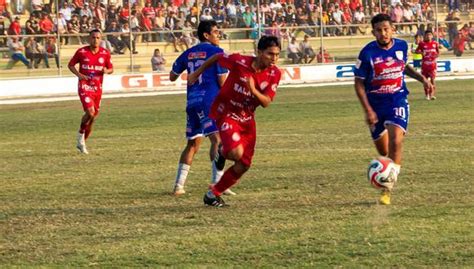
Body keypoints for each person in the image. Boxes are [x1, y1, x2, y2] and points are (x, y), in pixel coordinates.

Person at [188, 35, 282, 207]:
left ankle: (212, 194)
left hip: (247, 119)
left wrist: (252, 89)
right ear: (259, 52)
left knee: (244, 164)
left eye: (277, 54)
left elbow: (266, 102)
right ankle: (223, 151)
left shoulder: (275, 73)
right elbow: (217, 57)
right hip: (227, 113)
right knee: (236, 153)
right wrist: (195, 73)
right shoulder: (240, 61)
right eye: (270, 54)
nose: (274, 58)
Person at [354, 14, 433, 205]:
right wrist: (368, 110)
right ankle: (384, 177)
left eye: (386, 29)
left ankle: (387, 189)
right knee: (384, 153)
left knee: (396, 141)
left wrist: (422, 78)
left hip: (397, 100)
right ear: (373, 32)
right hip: (375, 106)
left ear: (392, 29)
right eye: (379, 30)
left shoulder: (402, 46)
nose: (383, 33)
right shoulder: (367, 54)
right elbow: (358, 84)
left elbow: (403, 67)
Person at [169, 20, 233, 196]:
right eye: (216, 32)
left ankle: (178, 186)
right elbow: (222, 81)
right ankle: (217, 183)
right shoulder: (218, 53)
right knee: (217, 140)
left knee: (192, 143)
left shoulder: (188, 53)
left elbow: (172, 76)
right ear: (206, 35)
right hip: (209, 102)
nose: (218, 35)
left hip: (192, 102)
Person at [68, 29, 113, 154]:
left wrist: (106, 71)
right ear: (89, 38)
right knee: (90, 112)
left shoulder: (105, 53)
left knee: (92, 118)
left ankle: (82, 142)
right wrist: (79, 75)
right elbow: (70, 65)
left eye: (98, 38)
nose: (95, 40)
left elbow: (111, 68)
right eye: (93, 37)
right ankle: (80, 136)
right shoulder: (82, 52)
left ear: (101, 39)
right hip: (85, 86)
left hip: (97, 88)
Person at [416, 30, 439, 100]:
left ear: (432, 36)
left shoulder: (435, 43)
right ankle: (427, 95)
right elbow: (416, 51)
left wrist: (435, 56)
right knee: (425, 80)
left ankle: (432, 94)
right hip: (425, 65)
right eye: (427, 35)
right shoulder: (422, 44)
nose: (428, 36)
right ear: (425, 36)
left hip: (432, 65)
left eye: (430, 35)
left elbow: (438, 52)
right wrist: (420, 53)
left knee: (432, 80)